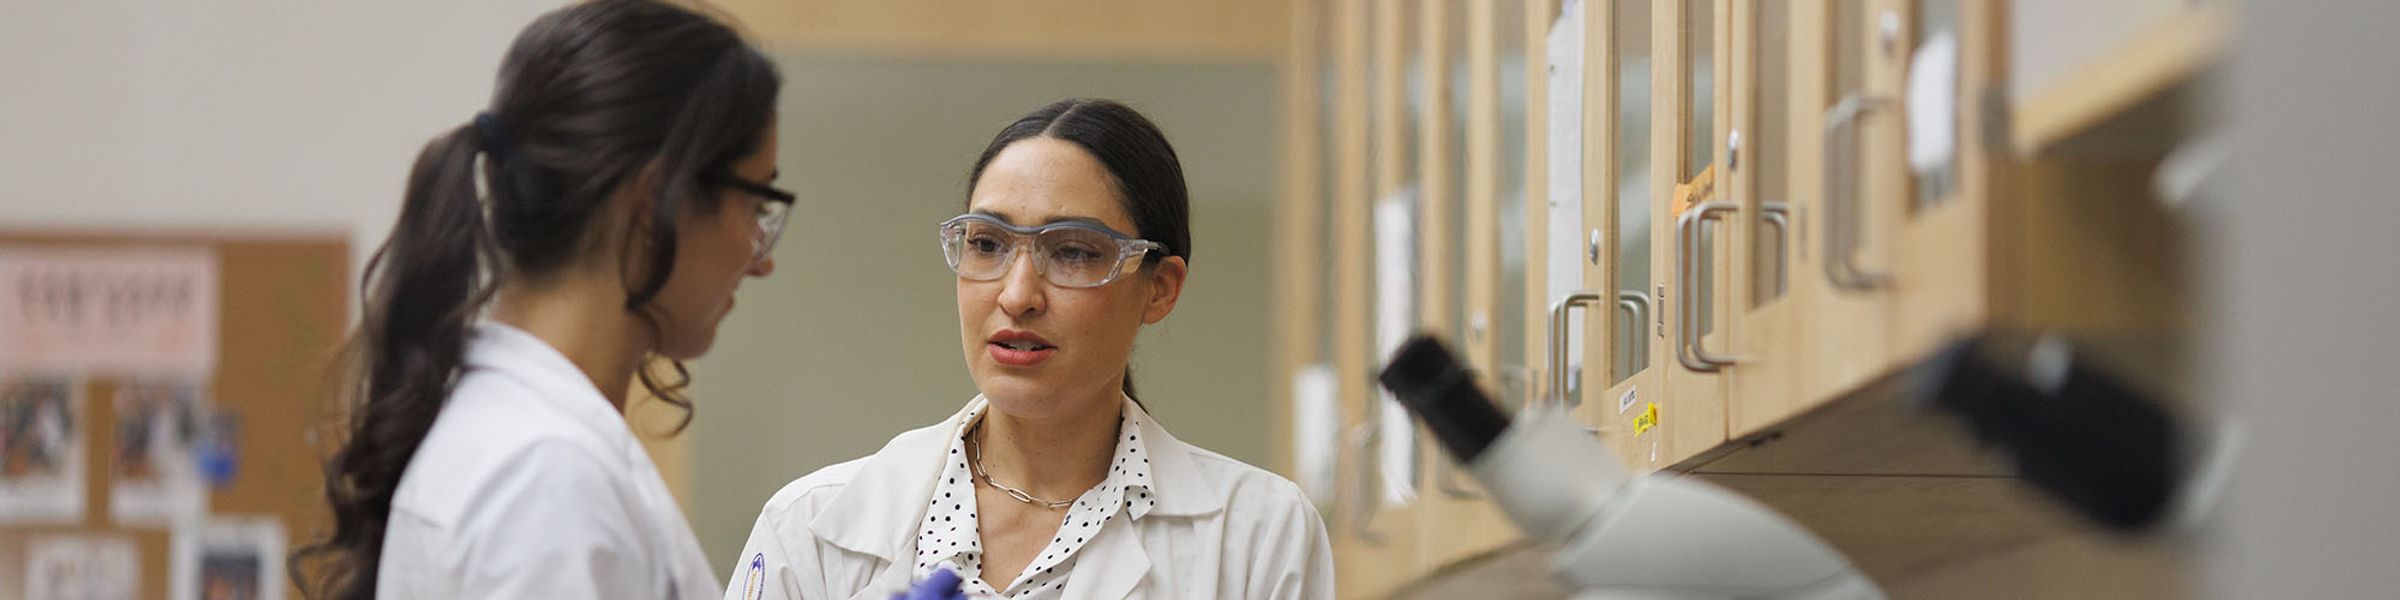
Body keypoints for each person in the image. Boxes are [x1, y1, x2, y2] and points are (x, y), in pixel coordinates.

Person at [726, 99, 1334, 600]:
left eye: (1072, 251)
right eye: (987, 243)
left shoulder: (1257, 533)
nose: (1017, 295)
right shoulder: (811, 526)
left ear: (1159, 288)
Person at [288, 1, 789, 598]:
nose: (762, 259)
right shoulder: (544, 478)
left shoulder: (522, 443)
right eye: (756, 207)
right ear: (656, 203)